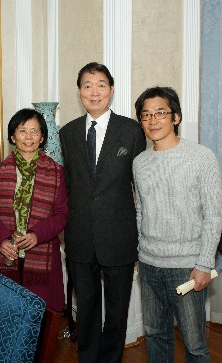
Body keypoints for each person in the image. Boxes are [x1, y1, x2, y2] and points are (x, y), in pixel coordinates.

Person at [59, 62, 147, 363]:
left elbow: (141, 186)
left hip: (119, 237)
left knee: (117, 310)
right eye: (87, 85)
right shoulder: (67, 133)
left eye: (100, 84)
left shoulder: (131, 131)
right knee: (85, 309)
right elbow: (68, 186)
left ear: (111, 90)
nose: (93, 92)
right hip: (80, 235)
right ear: (79, 92)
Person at [132, 86, 222, 362]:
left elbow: (214, 213)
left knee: (194, 344)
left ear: (176, 117)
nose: (153, 120)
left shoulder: (201, 157)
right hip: (149, 265)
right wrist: (139, 256)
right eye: (146, 115)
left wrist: (205, 263)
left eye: (160, 112)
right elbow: (140, 211)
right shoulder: (139, 162)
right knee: (156, 337)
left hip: (187, 266)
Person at [0, 108, 68, 311]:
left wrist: (37, 235)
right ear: (12, 136)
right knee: (4, 315)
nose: (28, 137)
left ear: (42, 137)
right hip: (3, 254)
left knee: (39, 318)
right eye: (22, 130)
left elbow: (62, 215)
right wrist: (2, 240)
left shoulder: (57, 172)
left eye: (34, 131)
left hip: (42, 255)